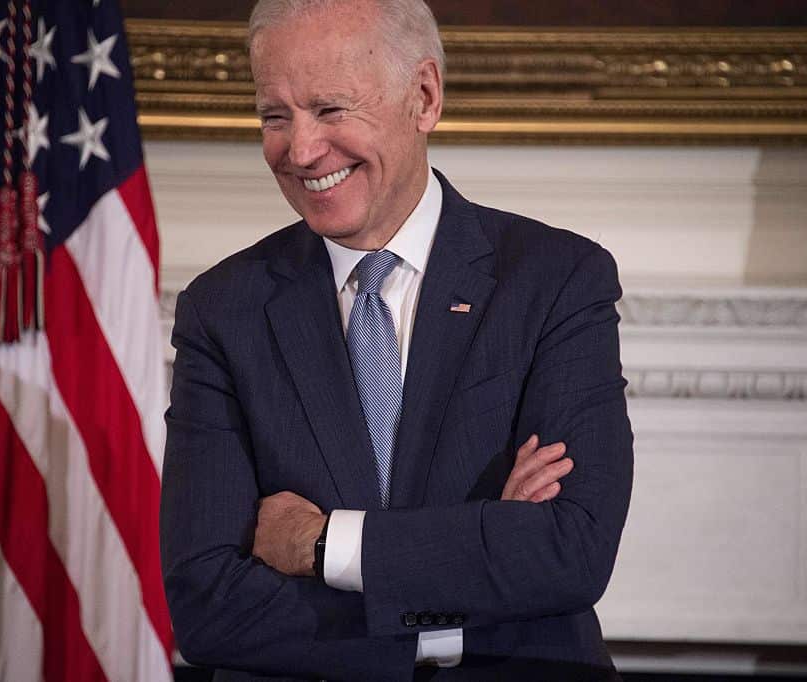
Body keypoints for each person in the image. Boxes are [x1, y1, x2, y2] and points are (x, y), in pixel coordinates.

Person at [160, 1, 633, 680]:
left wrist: (325, 545)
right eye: (274, 115)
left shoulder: (556, 280)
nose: (299, 150)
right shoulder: (224, 311)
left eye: (330, 110)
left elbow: (568, 552)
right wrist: (463, 588)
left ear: (424, 97)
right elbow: (205, 607)